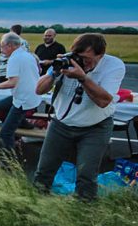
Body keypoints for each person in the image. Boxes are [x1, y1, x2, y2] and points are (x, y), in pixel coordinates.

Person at [33, 33, 126, 200]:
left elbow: (104, 101)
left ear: (100, 55)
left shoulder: (113, 65)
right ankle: (35, 204)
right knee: (44, 170)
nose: (81, 61)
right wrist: (54, 72)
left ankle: (85, 209)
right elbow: (39, 90)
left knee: (86, 175)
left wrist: (82, 77)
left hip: (95, 128)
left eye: (86, 58)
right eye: (78, 56)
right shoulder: (67, 61)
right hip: (61, 124)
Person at [0, 32, 41, 152]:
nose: (1, 49)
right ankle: (24, 123)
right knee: (0, 105)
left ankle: (9, 160)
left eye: (2, 46)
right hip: (33, 95)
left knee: (5, 132)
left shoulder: (14, 58)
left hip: (23, 99)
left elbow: (12, 83)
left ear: (10, 45)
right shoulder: (28, 55)